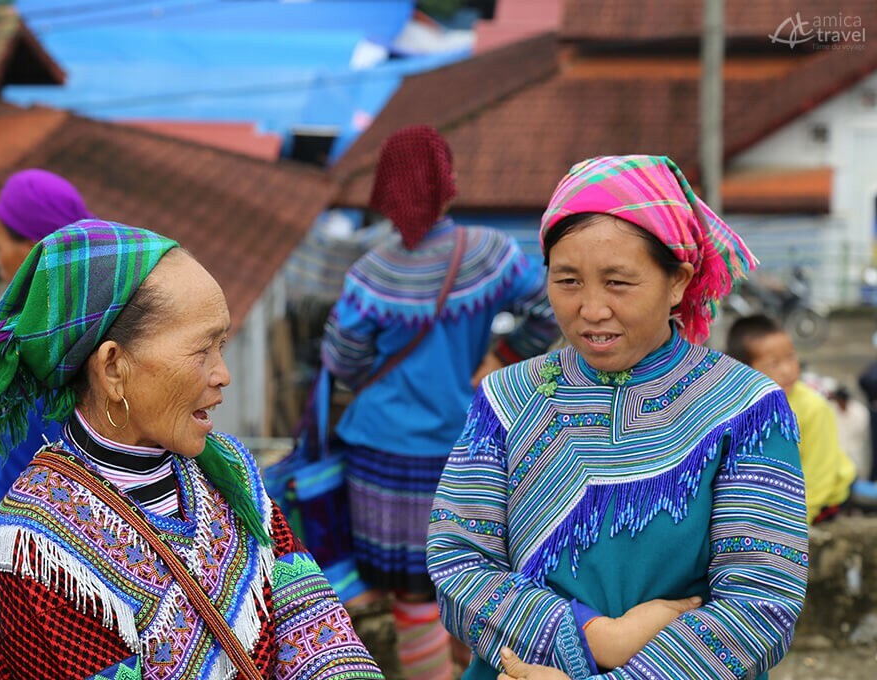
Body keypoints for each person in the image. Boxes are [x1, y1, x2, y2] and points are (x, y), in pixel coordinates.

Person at [428, 155, 809, 679]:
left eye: (618, 283)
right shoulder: (505, 399)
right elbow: (459, 561)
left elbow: (762, 600)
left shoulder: (746, 409)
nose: (590, 309)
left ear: (677, 281)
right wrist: (594, 639)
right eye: (567, 281)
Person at [0, 220, 383, 679]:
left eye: (221, 345)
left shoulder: (229, 474)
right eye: (202, 351)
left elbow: (315, 625)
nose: (223, 375)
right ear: (114, 368)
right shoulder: (39, 551)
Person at [321, 125, 559, 679]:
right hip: (470, 444)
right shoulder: (491, 253)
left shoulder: (370, 273)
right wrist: (501, 356)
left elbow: (342, 360)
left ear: (384, 190)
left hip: (380, 453)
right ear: (447, 183)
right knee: (476, 578)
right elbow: (552, 305)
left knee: (412, 594)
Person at [0, 168, 96, 680]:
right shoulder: (92, 321)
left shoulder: (27, 339)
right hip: (62, 532)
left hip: (30, 545)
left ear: (32, 248)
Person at [726, 313, 856, 524]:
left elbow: (819, 477)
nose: (787, 370)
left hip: (822, 496)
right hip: (777, 490)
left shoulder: (814, 408)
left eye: (791, 357)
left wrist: (793, 525)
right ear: (744, 371)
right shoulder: (736, 407)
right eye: (773, 363)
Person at [831, 385, 871, 481]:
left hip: (854, 456)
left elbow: (862, 434)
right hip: (835, 456)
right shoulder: (830, 409)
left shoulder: (860, 412)